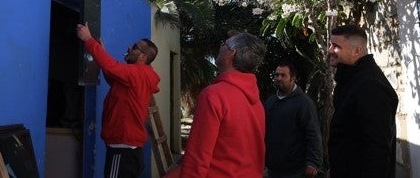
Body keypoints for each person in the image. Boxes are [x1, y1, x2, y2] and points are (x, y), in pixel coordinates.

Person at [166, 32, 267, 178]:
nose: (221, 46)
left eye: (224, 44)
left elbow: (198, 157)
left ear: (231, 54)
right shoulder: (257, 103)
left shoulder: (214, 95)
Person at [76, 22, 160, 178]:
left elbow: (111, 67)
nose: (130, 47)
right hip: (128, 149)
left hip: (123, 149)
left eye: (135, 46)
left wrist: (88, 39)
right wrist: (101, 52)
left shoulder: (136, 73)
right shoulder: (140, 75)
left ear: (143, 57)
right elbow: (114, 77)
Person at [327, 24, 398, 178]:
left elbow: (377, 148)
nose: (330, 50)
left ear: (357, 51)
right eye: (330, 44)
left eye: (336, 46)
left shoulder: (371, 86)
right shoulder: (349, 79)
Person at [264, 61, 322, 178]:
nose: (279, 78)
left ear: (293, 78)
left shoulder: (304, 103)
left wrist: (313, 162)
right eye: (276, 75)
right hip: (271, 168)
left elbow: (313, 134)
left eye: (283, 75)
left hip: (295, 170)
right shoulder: (270, 102)